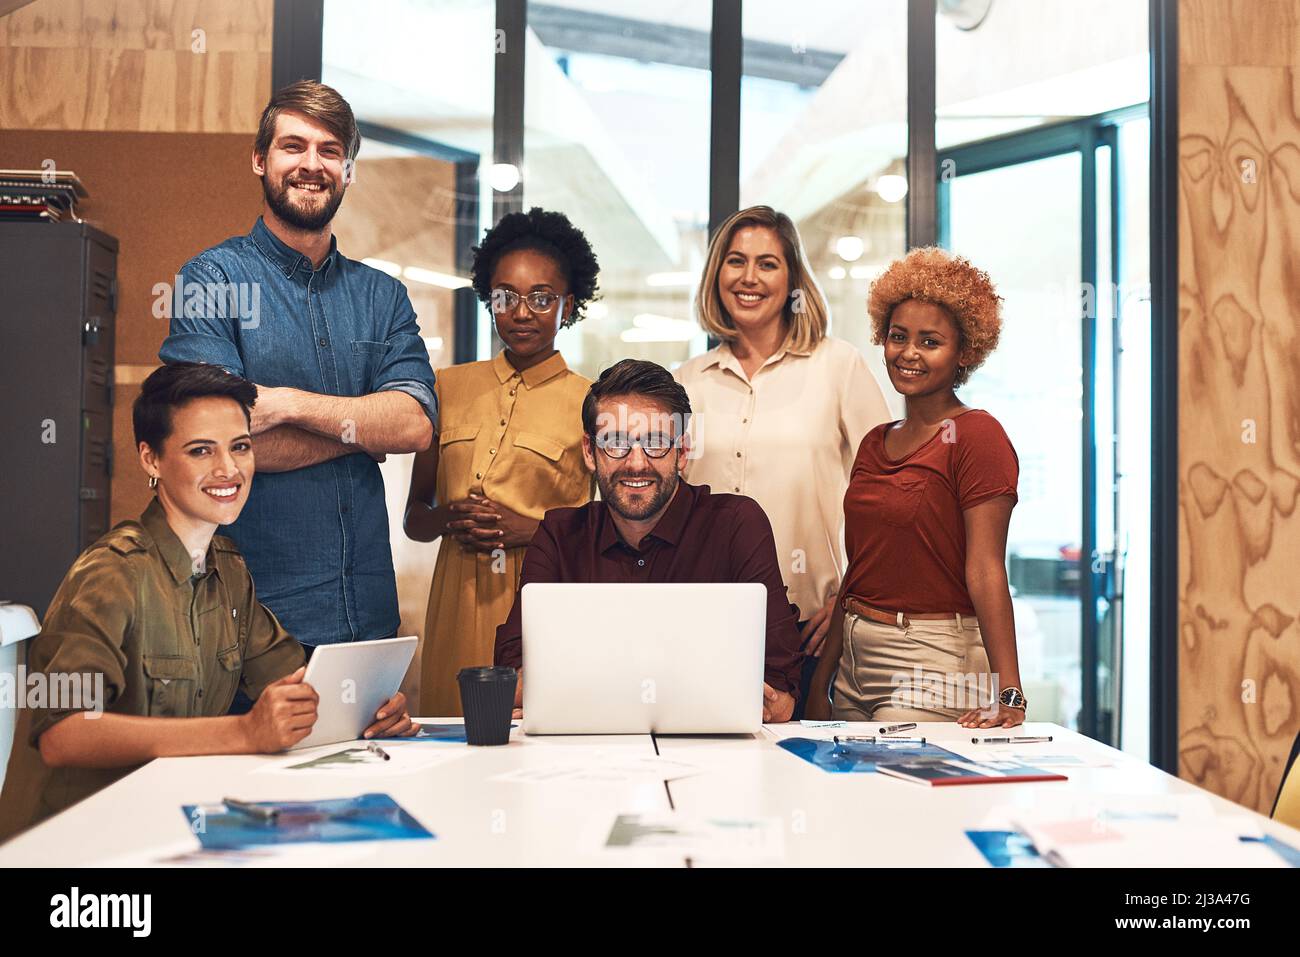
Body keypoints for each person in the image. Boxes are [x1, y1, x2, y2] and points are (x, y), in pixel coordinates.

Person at [0, 363, 414, 843]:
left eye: (240, 446)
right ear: (150, 459)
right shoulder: (111, 573)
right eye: (201, 451)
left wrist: (370, 709)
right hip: (72, 843)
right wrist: (243, 734)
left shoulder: (228, 568)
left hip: (164, 826)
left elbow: (296, 685)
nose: (228, 470)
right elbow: (63, 734)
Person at [158, 80, 437, 653]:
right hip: (248, 620)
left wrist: (284, 405)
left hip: (365, 613)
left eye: (330, 150)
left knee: (363, 748)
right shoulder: (210, 282)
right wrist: (360, 435)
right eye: (294, 146)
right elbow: (216, 447)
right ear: (260, 160)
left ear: (349, 171)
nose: (312, 164)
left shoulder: (383, 297)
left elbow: (413, 426)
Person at [494, 359, 802, 722]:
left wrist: (582, 684)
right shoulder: (560, 535)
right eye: (615, 443)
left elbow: (778, 697)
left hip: (718, 759)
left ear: (682, 451)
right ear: (590, 452)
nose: (636, 464)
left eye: (655, 443)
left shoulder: (737, 525)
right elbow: (510, 682)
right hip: (587, 760)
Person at [676, 206, 889, 718]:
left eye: (768, 263)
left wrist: (848, 600)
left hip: (811, 630)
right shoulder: (685, 381)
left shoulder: (838, 366)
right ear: (716, 275)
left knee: (805, 785)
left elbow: (889, 497)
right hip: (703, 622)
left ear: (792, 277)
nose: (749, 278)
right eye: (736, 261)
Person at [806, 247, 1026, 728]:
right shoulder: (873, 443)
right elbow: (857, 571)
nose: (908, 353)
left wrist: (1010, 691)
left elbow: (987, 569)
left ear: (964, 352)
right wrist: (821, 683)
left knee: (902, 796)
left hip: (935, 657)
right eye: (898, 337)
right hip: (853, 660)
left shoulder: (977, 436)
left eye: (930, 342)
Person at [405, 209, 598, 715]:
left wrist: (532, 529)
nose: (521, 312)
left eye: (541, 297)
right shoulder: (445, 386)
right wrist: (449, 517)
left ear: (568, 305)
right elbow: (415, 520)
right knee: (451, 736)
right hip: (454, 595)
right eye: (505, 295)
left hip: (542, 599)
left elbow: (609, 532)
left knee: (532, 739)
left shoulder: (591, 403)